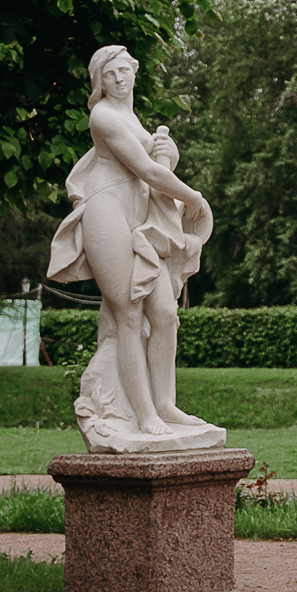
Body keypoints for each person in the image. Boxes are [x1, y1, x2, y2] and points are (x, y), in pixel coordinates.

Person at [46, 45, 219, 449]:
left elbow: (157, 166)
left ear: (135, 72)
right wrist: (193, 198)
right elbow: (144, 169)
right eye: (110, 74)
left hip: (140, 221)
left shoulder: (131, 117)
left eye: (124, 71)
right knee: (128, 313)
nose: (119, 79)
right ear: (99, 82)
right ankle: (143, 414)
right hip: (107, 214)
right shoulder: (102, 115)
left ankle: (165, 404)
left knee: (164, 313)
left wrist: (169, 154)